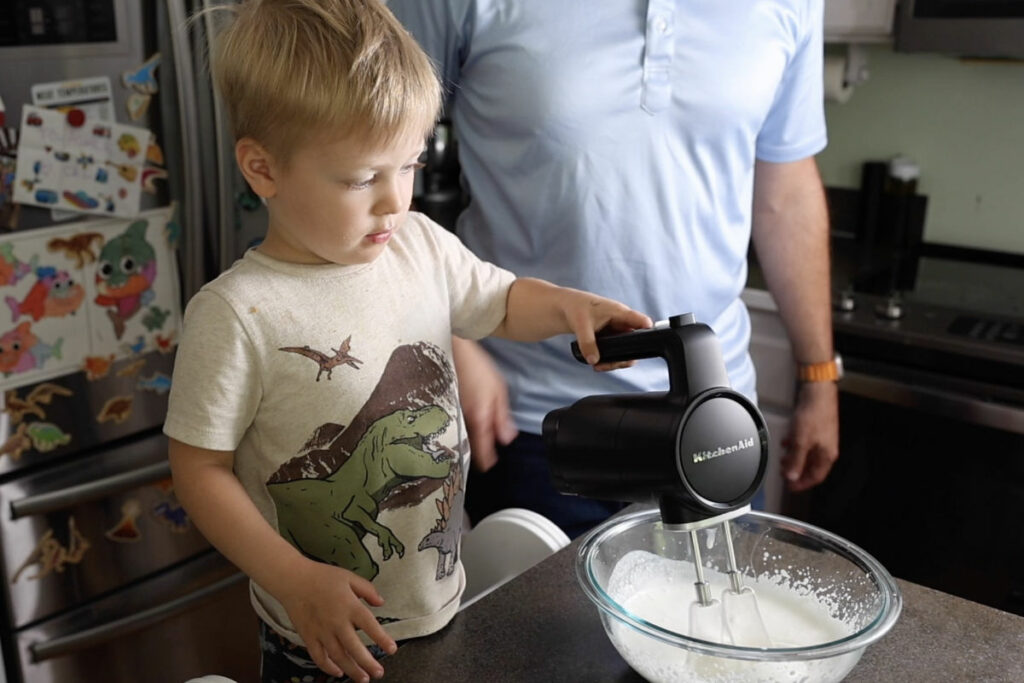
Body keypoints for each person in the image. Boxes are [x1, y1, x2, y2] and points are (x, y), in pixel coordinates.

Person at [163, 2, 651, 682]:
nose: (396, 200)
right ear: (263, 169)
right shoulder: (237, 314)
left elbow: (501, 301)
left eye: (410, 165)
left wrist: (570, 307)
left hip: (444, 604)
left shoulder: (419, 245)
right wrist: (296, 578)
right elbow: (199, 471)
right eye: (363, 177)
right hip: (321, 638)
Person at [389, 1, 840, 538]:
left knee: (716, 620)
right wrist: (450, 340)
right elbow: (363, 152)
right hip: (533, 423)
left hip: (718, 417)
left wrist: (818, 374)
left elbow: (785, 194)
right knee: (538, 625)